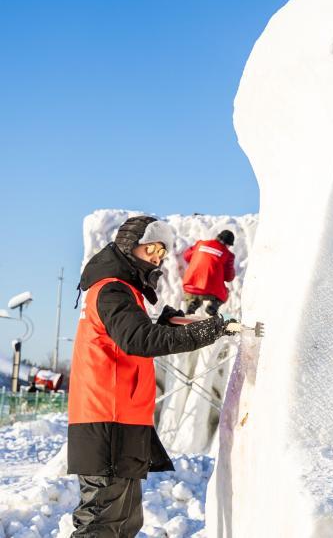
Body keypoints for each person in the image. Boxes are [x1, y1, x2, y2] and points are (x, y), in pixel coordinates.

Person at [68, 215, 235, 536]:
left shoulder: (124, 292)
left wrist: (167, 324)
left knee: (124, 525)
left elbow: (132, 338)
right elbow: (139, 340)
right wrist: (208, 331)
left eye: (162, 253)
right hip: (107, 423)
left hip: (120, 423)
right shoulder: (112, 291)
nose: (157, 258)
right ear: (131, 247)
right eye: (151, 250)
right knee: (102, 526)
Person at [181, 229, 236, 317]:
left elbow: (186, 256)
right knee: (225, 292)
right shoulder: (228, 255)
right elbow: (229, 277)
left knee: (193, 295)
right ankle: (212, 307)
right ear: (228, 244)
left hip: (190, 285)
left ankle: (192, 304)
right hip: (213, 289)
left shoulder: (200, 244)